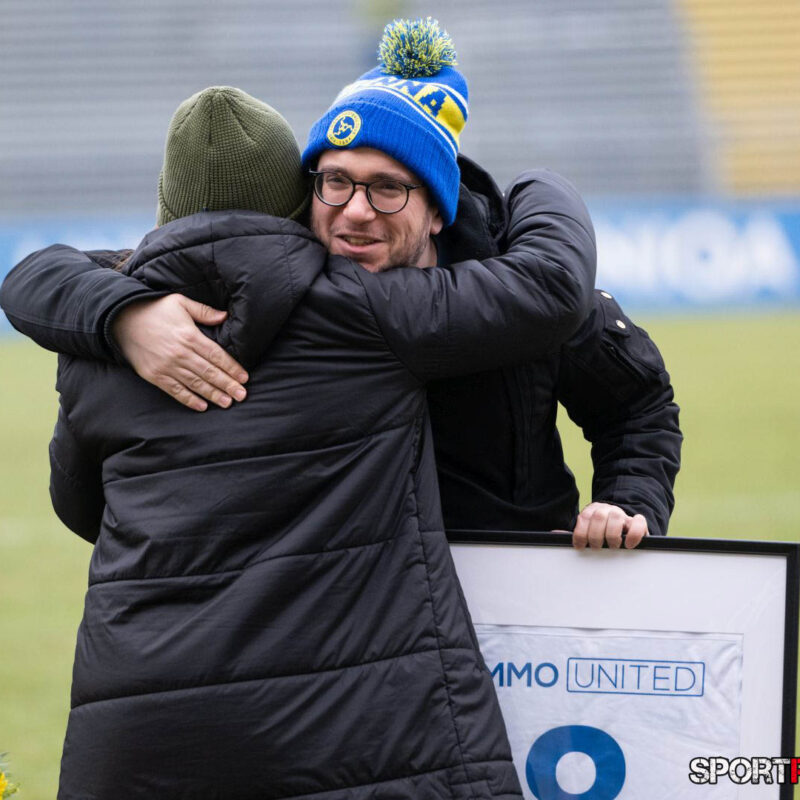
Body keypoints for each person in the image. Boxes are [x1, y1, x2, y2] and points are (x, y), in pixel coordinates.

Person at [22, 42, 597, 798]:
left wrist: (118, 313)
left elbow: (81, 509)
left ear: (165, 199)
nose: (356, 209)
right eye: (336, 183)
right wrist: (538, 185)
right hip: (357, 731)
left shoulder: (98, 339)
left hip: (135, 737)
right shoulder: (365, 308)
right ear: (298, 198)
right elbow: (551, 287)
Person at [1, 18, 680, 553]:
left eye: (387, 188)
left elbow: (636, 402)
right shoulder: (281, 274)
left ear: (437, 208)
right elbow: (64, 268)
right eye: (336, 181)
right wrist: (126, 313)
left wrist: (628, 501)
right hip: (370, 625)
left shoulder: (513, 286)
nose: (355, 211)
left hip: (516, 606)